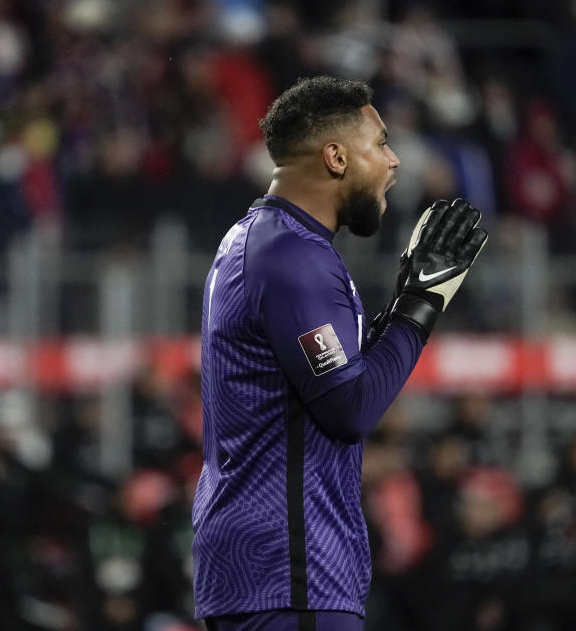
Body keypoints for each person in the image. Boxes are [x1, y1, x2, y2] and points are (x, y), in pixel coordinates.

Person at [192, 76, 488, 630]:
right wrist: (420, 306)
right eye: (379, 144)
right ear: (335, 157)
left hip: (265, 574)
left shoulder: (263, 239)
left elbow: (318, 386)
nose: (395, 161)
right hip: (291, 574)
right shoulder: (291, 257)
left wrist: (400, 304)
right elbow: (349, 407)